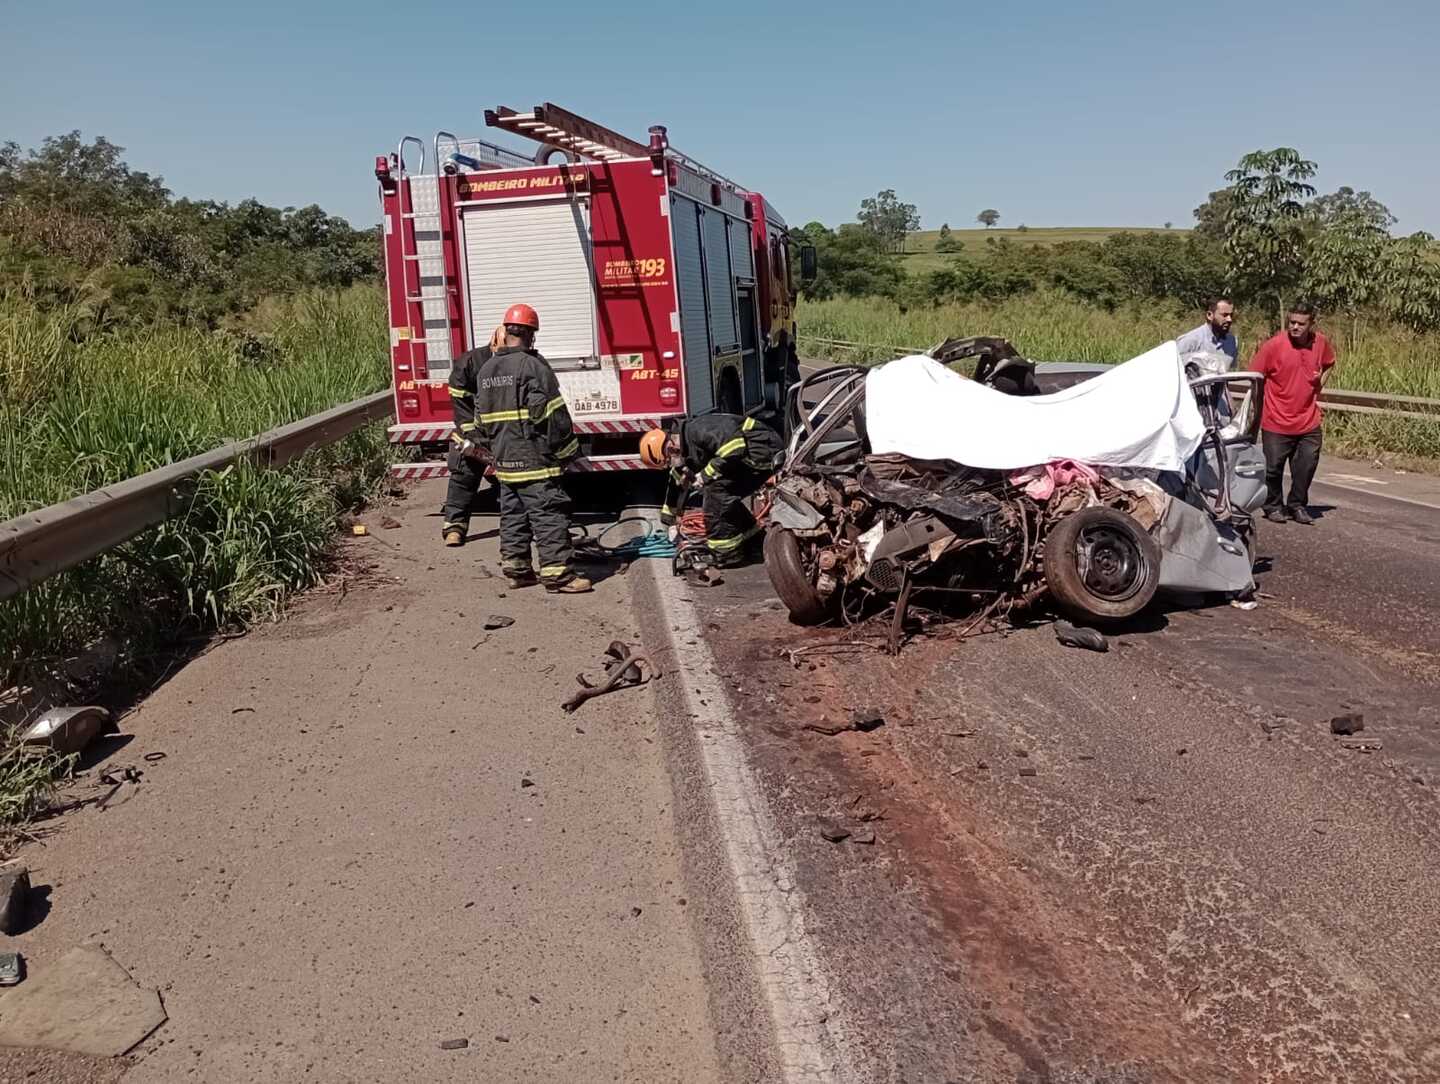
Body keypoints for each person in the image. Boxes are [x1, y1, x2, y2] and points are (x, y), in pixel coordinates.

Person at [473, 304, 591, 592]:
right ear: (530, 334)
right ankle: (558, 576)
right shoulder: (533, 366)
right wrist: (567, 452)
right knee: (548, 513)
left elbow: (479, 420)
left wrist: (496, 452)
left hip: (504, 459)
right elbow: (551, 415)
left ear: (506, 332)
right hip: (535, 457)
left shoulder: (486, 370)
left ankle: (517, 571)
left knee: (513, 515)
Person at [640, 413, 783, 567]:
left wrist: (704, 475)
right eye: (667, 463)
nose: (671, 462)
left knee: (716, 492)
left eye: (668, 459)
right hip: (744, 457)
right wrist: (670, 519)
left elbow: (735, 448)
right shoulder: (683, 445)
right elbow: (678, 480)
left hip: (761, 452)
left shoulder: (698, 430)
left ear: (669, 446)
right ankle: (752, 537)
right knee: (719, 491)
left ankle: (727, 554)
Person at [1248, 302, 1336, 525]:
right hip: (1277, 420)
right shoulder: (1273, 346)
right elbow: (1254, 377)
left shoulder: (1320, 342)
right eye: (1292, 322)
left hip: (1308, 419)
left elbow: (1329, 363)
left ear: (1311, 324)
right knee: (1273, 469)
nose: (1295, 327)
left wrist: (1319, 384)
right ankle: (1273, 505)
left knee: (1306, 465)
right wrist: (1257, 410)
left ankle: (1297, 505)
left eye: (1301, 323)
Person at [441, 325, 506, 546]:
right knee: (464, 475)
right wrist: (471, 434)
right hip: (473, 432)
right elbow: (460, 403)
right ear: (493, 343)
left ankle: (521, 528)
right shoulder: (470, 363)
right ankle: (455, 528)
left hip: (505, 432)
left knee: (516, 481)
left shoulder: (519, 361)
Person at [1176, 297, 1239, 369]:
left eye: (1231, 315)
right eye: (1224, 315)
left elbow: (1232, 371)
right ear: (1209, 315)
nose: (1229, 319)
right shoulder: (1191, 340)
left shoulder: (1231, 341)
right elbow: (1172, 369)